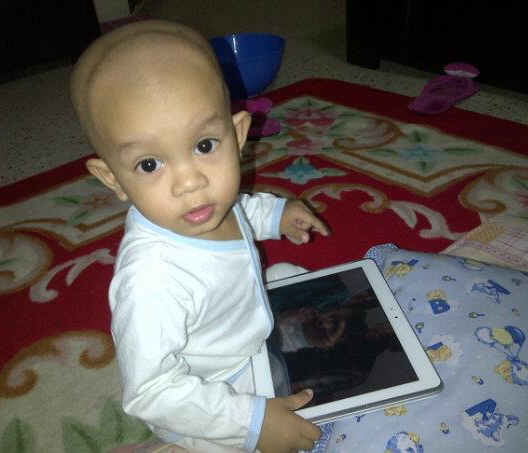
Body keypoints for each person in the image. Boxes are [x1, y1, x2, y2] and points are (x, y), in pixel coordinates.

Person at [70, 19, 329, 453]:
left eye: (204, 145)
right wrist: (251, 421)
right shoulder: (151, 281)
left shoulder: (205, 204)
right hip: (208, 391)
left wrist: (276, 213)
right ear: (112, 178)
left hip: (240, 330)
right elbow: (151, 391)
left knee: (288, 273)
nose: (190, 182)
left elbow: (239, 208)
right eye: (149, 164)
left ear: (238, 134)